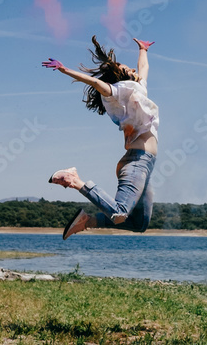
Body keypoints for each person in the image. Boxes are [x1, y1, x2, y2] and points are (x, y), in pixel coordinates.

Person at [42, 36, 158, 239]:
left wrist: (143, 50)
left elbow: (144, 68)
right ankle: (74, 180)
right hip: (136, 162)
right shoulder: (118, 92)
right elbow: (96, 82)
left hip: (146, 164)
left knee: (139, 223)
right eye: (126, 68)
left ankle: (88, 220)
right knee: (120, 212)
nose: (132, 69)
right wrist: (65, 70)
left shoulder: (138, 90)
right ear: (120, 76)